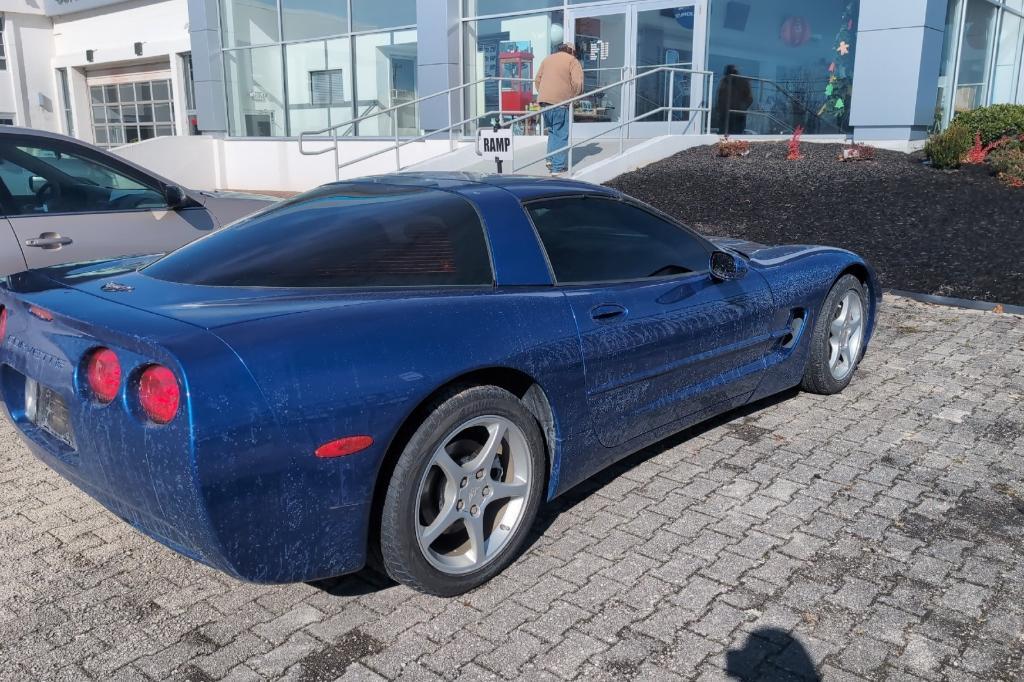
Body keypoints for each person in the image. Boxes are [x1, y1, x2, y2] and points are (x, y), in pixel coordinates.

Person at [535, 44, 584, 175]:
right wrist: (574, 97)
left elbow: (537, 80)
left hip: (544, 103)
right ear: (572, 51)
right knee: (561, 134)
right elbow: (578, 82)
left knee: (552, 131)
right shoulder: (572, 60)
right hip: (560, 103)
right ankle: (557, 167)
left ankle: (550, 160)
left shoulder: (547, 59)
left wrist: (544, 94)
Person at [716, 65, 753, 135]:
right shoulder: (723, 82)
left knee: (736, 136)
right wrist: (719, 110)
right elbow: (719, 97)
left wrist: (740, 109)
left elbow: (750, 98)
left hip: (738, 116)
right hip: (725, 115)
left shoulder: (744, 82)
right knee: (723, 135)